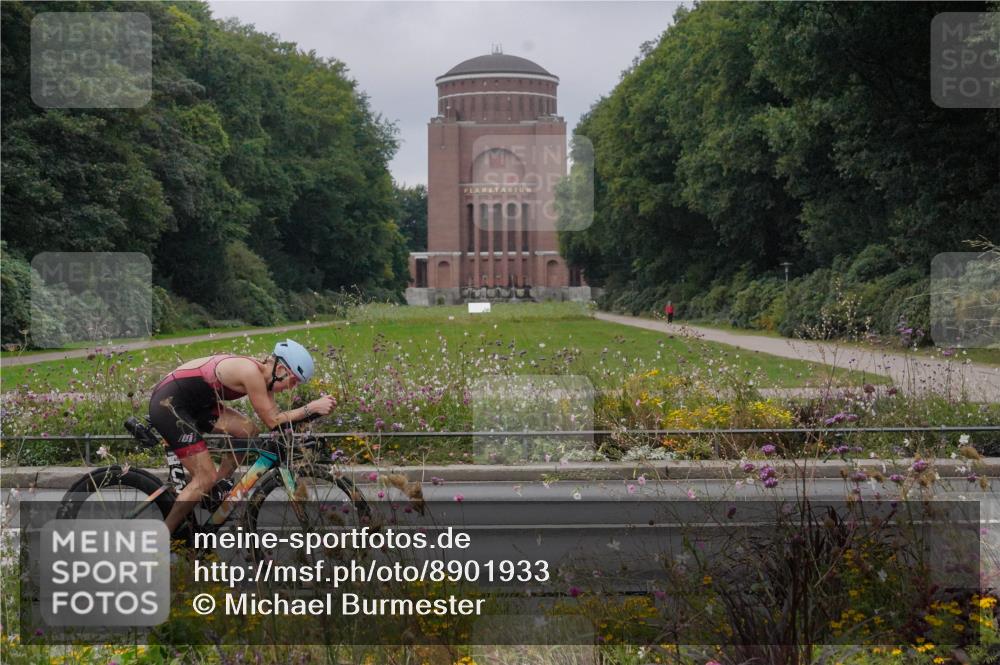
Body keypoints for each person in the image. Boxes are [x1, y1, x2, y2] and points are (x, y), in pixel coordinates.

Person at [148, 339, 335, 534]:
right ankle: (162, 538)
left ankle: (214, 492)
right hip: (169, 405)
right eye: (294, 380)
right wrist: (311, 407)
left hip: (196, 405)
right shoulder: (251, 373)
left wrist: (311, 413)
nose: (292, 387)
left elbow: (277, 421)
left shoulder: (265, 378)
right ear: (280, 370)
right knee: (205, 477)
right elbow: (273, 421)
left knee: (248, 432)